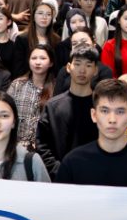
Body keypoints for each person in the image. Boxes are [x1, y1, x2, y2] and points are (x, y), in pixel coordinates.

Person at [53, 78, 127, 187]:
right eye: (105, 111)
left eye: (120, 111)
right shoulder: (72, 163)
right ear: (94, 115)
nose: (112, 119)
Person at [36, 49, 100, 178]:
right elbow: (42, 145)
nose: (82, 70)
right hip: (60, 178)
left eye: (88, 65)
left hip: (96, 177)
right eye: (77, 64)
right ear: (68, 67)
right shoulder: (53, 106)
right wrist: (60, 171)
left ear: (95, 70)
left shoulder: (102, 107)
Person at [7, 44, 54, 148]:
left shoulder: (55, 88)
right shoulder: (17, 84)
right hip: (16, 145)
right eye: (33, 58)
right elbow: (6, 110)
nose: (37, 62)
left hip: (43, 147)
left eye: (42, 58)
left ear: (51, 63)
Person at [101, 4, 127, 79]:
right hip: (117, 85)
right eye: (126, 18)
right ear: (119, 20)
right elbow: (107, 76)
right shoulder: (109, 46)